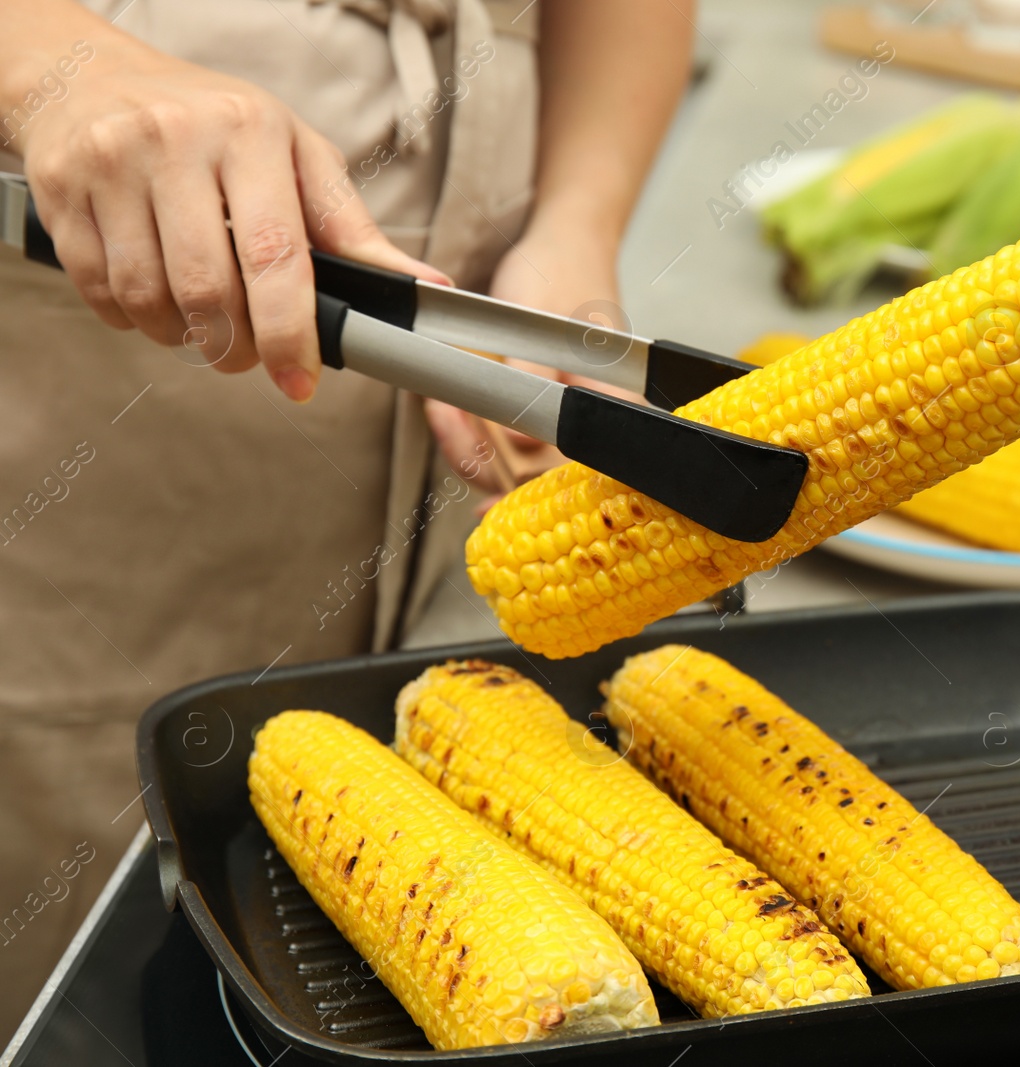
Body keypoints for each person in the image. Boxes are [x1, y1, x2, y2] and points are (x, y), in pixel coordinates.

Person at [0, 0, 692, 1036]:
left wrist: (573, 224)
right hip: (108, 339)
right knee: (93, 968)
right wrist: (52, 62)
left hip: (479, 351)